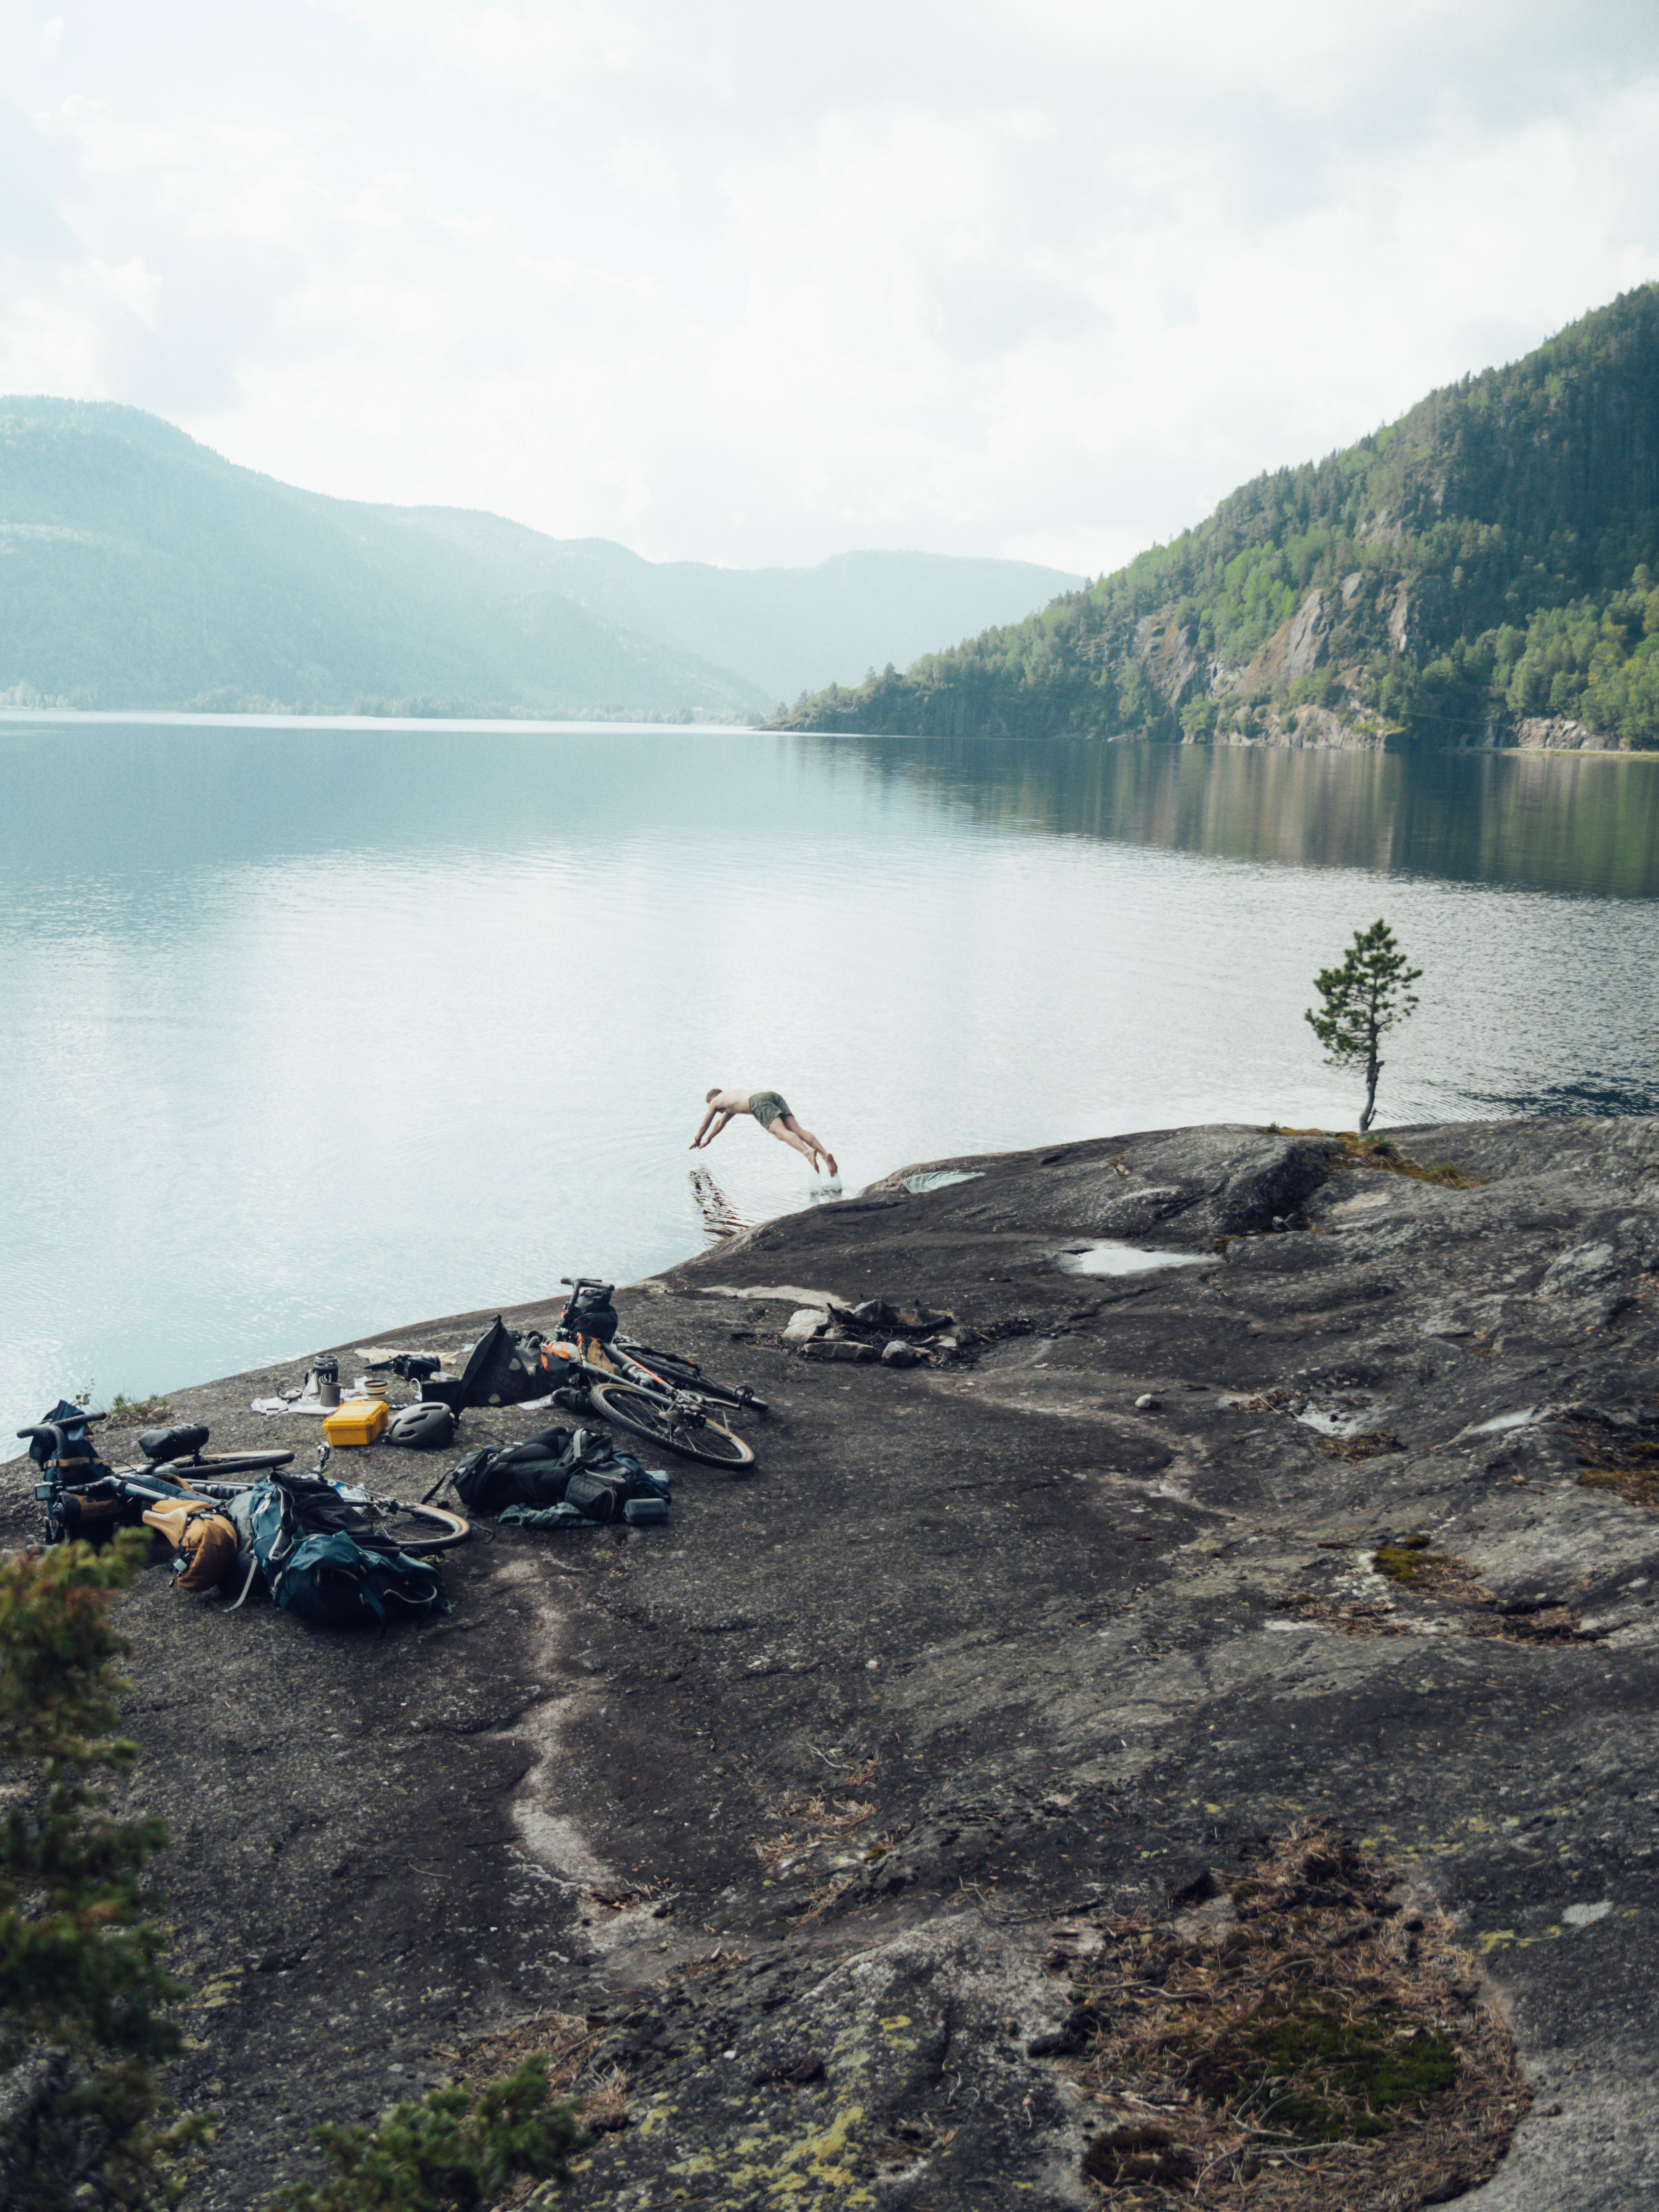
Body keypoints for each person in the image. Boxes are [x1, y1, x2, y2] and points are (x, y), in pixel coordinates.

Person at [691, 1087, 838, 1177]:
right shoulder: (731, 1097)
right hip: (771, 1096)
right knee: (796, 1130)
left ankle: (807, 1152)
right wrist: (710, 1138)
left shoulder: (715, 1102)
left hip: (758, 1103)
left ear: (712, 1100)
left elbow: (705, 1124)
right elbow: (721, 1123)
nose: (718, 1111)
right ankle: (825, 1155)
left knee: (781, 1133)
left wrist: (698, 1139)